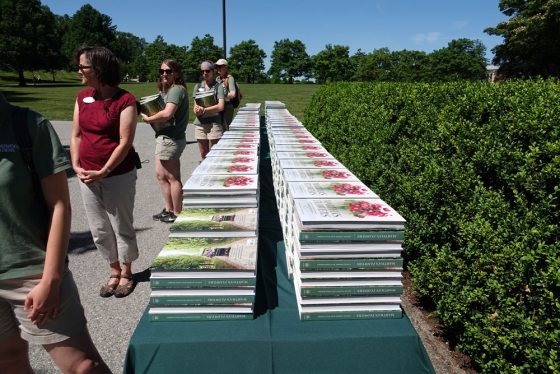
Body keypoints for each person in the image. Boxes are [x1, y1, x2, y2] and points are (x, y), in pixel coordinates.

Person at [0, 92, 111, 373]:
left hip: (32, 273)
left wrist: (51, 278)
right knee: (7, 359)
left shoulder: (27, 126)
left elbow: (59, 205)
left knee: (83, 367)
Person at [70, 46, 139, 298]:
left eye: (83, 66)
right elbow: (76, 134)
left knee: (121, 224)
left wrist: (105, 170)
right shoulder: (82, 98)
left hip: (117, 174)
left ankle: (127, 272)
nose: (79, 70)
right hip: (86, 174)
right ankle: (113, 269)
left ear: (98, 69)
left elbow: (125, 141)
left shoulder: (125, 100)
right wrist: (75, 164)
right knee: (99, 228)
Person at [141, 59, 188, 224]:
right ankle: (168, 209)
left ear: (176, 73)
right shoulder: (170, 90)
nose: (164, 74)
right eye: (161, 71)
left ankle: (177, 212)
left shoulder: (176, 90)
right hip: (165, 137)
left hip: (171, 138)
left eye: (168, 71)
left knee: (172, 177)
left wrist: (149, 118)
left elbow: (167, 114)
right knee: (161, 176)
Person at [192, 60, 225, 160]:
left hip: (214, 124)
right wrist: (197, 110)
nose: (204, 73)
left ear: (213, 71)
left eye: (207, 71)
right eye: (202, 71)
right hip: (200, 124)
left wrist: (204, 110)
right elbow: (195, 106)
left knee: (215, 155)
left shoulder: (219, 86)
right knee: (203, 154)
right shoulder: (197, 86)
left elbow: (221, 106)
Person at [215, 58, 238, 131]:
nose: (218, 68)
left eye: (220, 66)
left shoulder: (230, 78)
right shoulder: (217, 79)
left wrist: (221, 96)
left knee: (226, 128)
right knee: (218, 128)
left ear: (225, 67)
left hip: (227, 106)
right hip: (218, 105)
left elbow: (233, 94)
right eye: (217, 66)